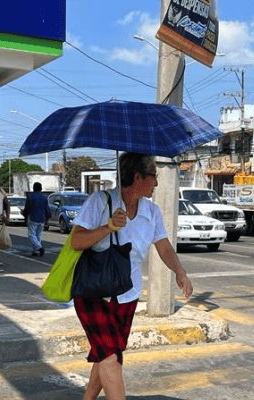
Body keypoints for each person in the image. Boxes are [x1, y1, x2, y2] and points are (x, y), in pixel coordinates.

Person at [70, 152, 193, 400]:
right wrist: (109, 227)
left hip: (127, 293)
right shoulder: (100, 202)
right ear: (138, 177)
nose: (157, 183)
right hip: (95, 292)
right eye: (153, 177)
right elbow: (76, 241)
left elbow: (164, 246)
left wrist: (179, 271)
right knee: (111, 356)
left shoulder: (152, 211)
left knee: (106, 353)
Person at [22, 181, 50, 257]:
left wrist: (24, 215)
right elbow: (47, 209)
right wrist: (47, 218)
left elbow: (27, 208)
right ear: (41, 189)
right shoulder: (44, 198)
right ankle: (35, 250)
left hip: (33, 218)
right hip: (42, 219)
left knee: (31, 235)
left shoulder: (30, 197)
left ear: (33, 188)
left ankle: (39, 248)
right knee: (38, 235)